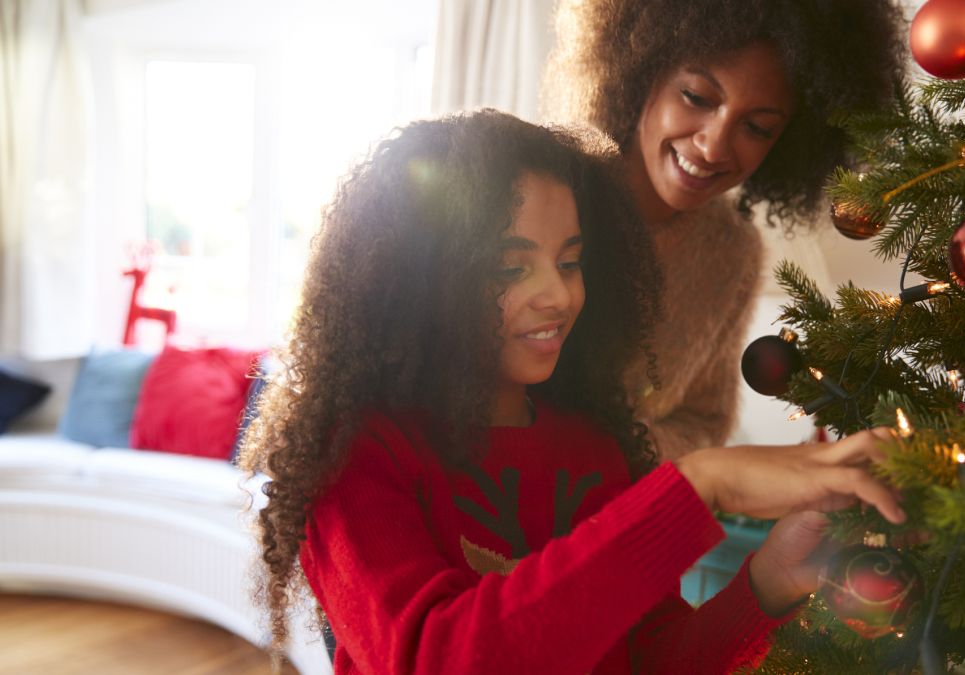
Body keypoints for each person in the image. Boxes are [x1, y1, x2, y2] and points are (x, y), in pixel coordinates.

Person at [237, 109, 905, 674]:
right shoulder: (356, 453)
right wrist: (695, 485)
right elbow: (438, 656)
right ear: (419, 282)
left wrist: (766, 582)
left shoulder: (591, 443)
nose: (557, 294)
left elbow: (651, 659)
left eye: (569, 261)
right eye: (510, 265)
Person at [543, 0, 906, 460]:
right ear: (640, 65)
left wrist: (614, 456)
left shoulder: (731, 252)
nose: (714, 146)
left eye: (756, 127)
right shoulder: (545, 192)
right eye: (696, 97)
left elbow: (701, 424)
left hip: (621, 512)